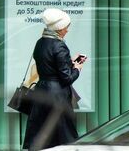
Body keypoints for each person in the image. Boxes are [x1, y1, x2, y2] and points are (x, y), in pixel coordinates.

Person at [23, 8, 86, 150]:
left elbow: (49, 65)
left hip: (41, 91)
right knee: (64, 135)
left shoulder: (40, 42)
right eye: (66, 27)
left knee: (41, 133)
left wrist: (69, 62)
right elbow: (67, 78)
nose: (67, 30)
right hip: (57, 96)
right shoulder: (59, 45)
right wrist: (77, 68)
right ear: (59, 28)